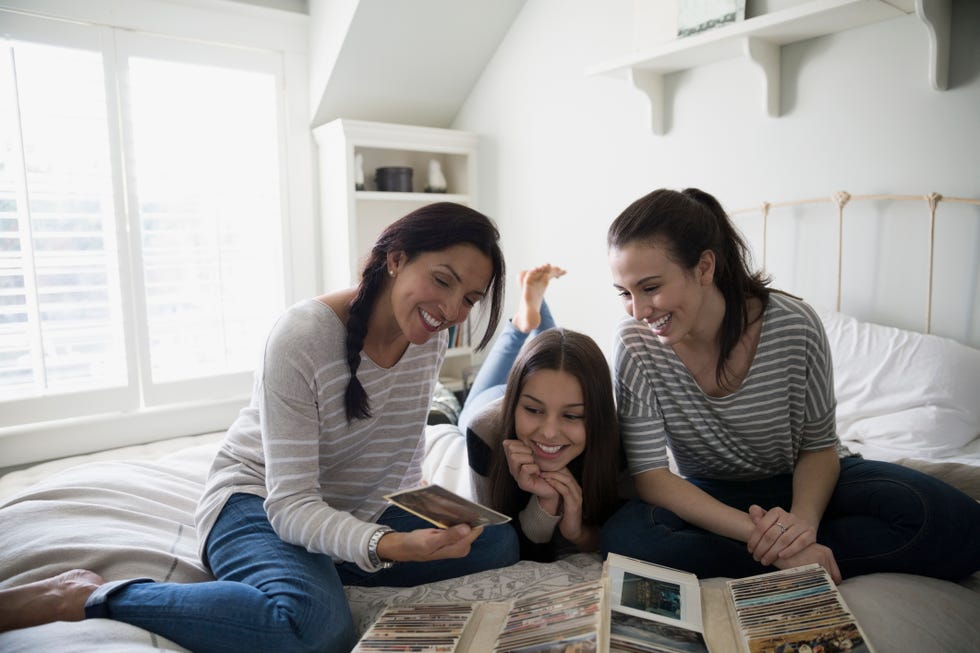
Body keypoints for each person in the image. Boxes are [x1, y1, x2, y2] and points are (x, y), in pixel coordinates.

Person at [0, 202, 520, 652]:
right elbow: (291, 504)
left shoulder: (429, 336)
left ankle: (329, 562)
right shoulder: (304, 335)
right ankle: (87, 595)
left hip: (351, 508)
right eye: (443, 281)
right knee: (313, 633)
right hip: (260, 502)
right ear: (396, 258)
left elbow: (402, 459)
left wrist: (420, 517)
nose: (451, 310)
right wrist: (383, 545)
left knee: (498, 543)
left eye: (470, 299)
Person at [600, 187, 980, 583]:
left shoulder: (795, 325)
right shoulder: (634, 344)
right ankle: (801, 561)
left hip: (807, 482)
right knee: (627, 537)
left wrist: (801, 525)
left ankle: (787, 556)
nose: (639, 311)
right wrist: (776, 542)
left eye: (650, 288)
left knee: (956, 522)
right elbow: (652, 476)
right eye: (625, 294)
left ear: (704, 267)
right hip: (714, 496)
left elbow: (819, 449)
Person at [463, 265, 623, 561]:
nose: (549, 432)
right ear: (517, 403)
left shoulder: (619, 439)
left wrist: (576, 531)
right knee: (463, 415)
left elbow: (617, 536)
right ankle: (524, 321)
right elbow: (500, 548)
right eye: (534, 410)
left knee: (558, 357)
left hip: (529, 392)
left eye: (573, 416)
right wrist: (545, 504)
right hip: (491, 403)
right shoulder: (484, 431)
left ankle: (530, 315)